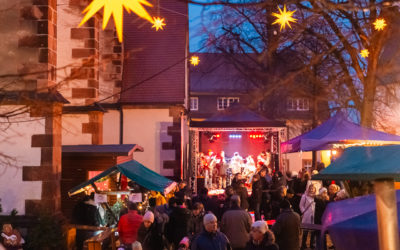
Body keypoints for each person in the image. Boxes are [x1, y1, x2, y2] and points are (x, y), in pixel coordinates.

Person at [300, 184, 316, 249]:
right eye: (310, 188)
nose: (311, 190)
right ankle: (303, 244)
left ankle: (312, 244)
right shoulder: (304, 196)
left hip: (314, 215)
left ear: (315, 189)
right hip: (307, 215)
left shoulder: (316, 197)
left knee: (313, 231)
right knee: (305, 231)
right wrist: (304, 212)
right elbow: (301, 205)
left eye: (313, 188)